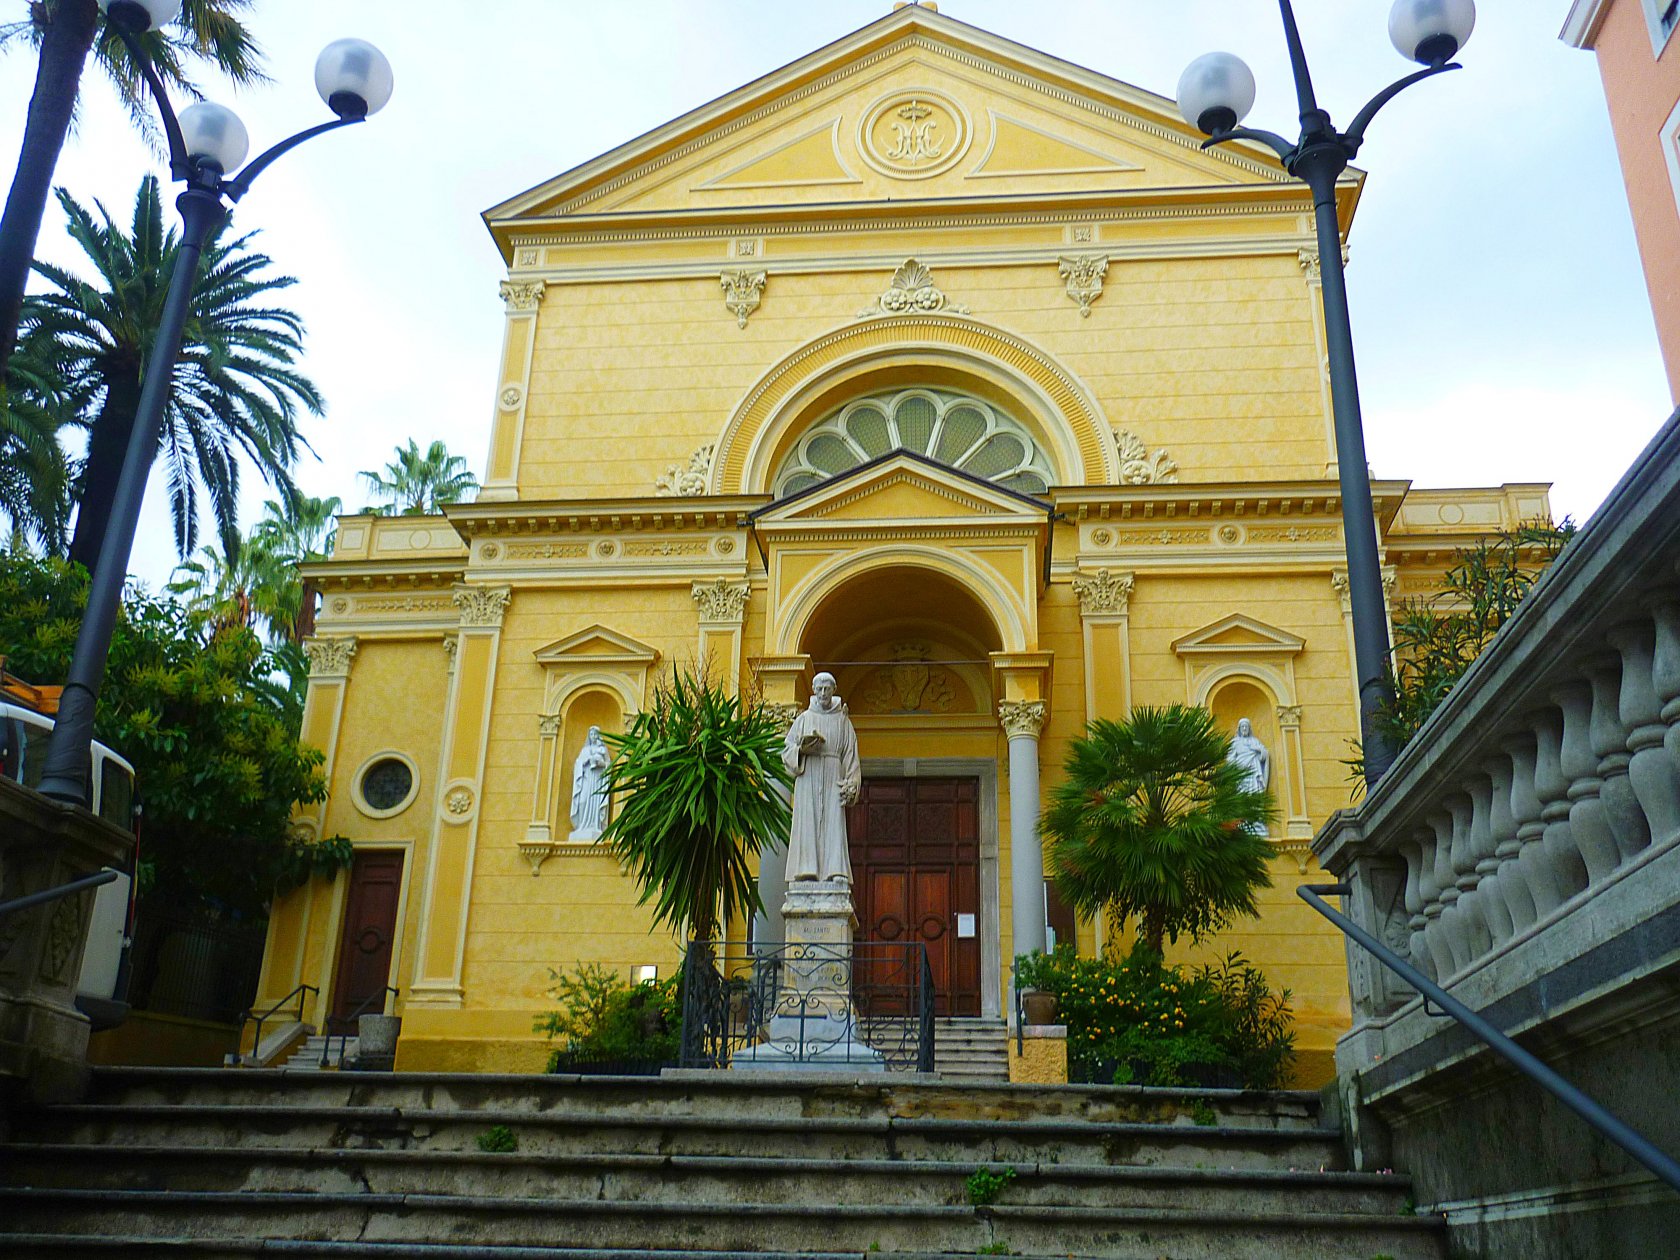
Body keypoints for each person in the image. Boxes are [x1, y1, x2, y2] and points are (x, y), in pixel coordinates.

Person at [782, 672, 862, 884]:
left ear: (833, 690)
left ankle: (835, 870)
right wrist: (801, 749)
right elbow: (786, 751)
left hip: (834, 776)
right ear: (814, 691)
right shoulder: (803, 720)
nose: (823, 693)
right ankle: (806, 869)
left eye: (827, 689)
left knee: (834, 825)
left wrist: (852, 783)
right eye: (819, 689)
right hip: (808, 776)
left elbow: (851, 756)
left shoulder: (843, 722)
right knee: (807, 821)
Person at [568, 725, 611, 841]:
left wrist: (601, 764)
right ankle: (581, 826)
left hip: (598, 780)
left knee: (596, 801)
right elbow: (577, 764)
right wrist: (585, 762)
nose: (593, 736)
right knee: (582, 801)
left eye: (595, 734)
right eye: (591, 734)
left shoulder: (603, 749)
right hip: (586, 779)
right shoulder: (585, 750)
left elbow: (609, 765)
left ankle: (595, 826)